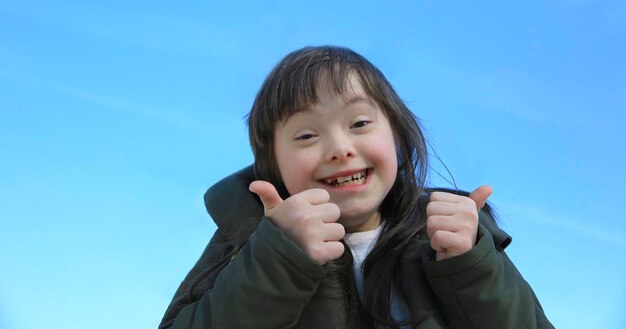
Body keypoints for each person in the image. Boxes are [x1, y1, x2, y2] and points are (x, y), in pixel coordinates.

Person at [159, 46, 555, 329]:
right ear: (272, 166)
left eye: (360, 124)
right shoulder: (250, 240)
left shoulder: (457, 236)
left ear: (398, 138)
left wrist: (469, 267)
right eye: (307, 134)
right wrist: (279, 257)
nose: (339, 149)